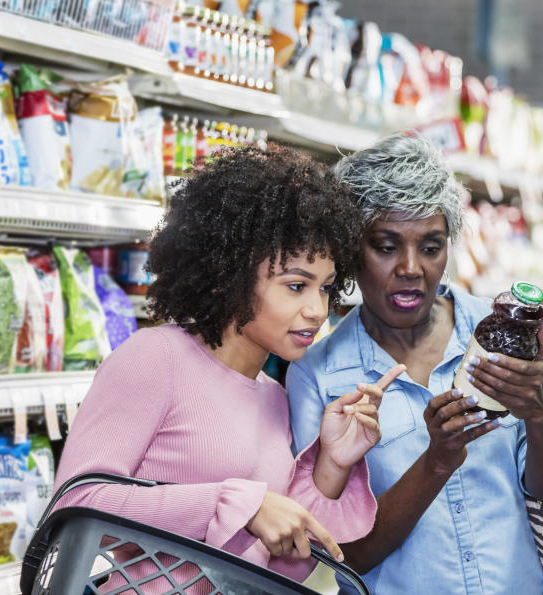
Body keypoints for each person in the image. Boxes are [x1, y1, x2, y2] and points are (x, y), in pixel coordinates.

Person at [54, 146, 402, 591]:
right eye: (296, 286)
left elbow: (278, 567)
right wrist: (239, 504)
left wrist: (332, 463)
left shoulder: (273, 397)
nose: (317, 310)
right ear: (230, 273)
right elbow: (75, 505)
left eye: (326, 288)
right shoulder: (155, 358)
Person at [287, 133, 543, 594]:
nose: (411, 267)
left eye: (430, 246)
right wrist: (437, 461)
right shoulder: (320, 376)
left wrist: (541, 413)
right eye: (385, 246)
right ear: (349, 250)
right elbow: (346, 554)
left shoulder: (504, 337)